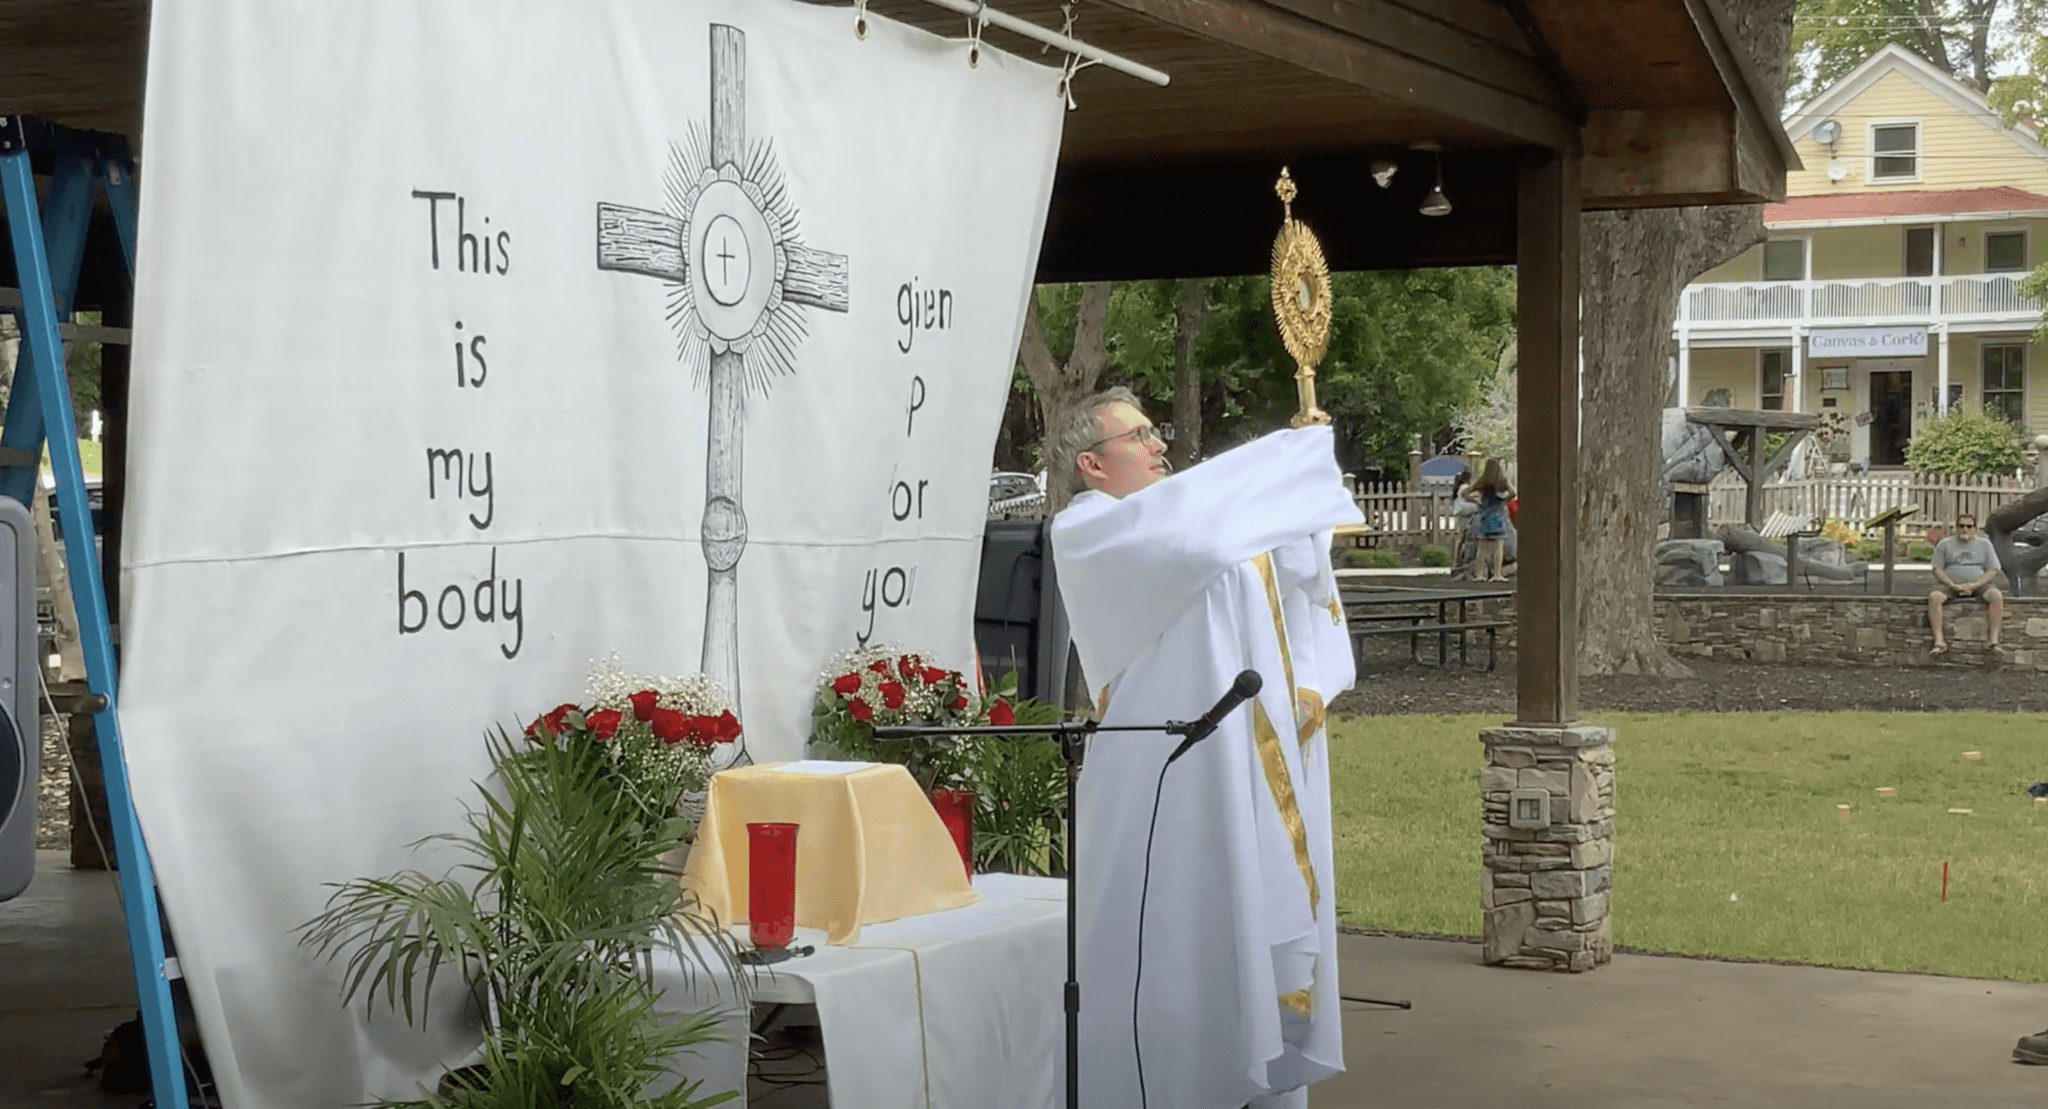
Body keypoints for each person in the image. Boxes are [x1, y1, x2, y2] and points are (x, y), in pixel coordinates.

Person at [1049, 386, 1361, 1109]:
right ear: (1092, 464)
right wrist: (1286, 463)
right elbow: (1197, 538)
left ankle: (1244, 1082)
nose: (1159, 444)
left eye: (1157, 430)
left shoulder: (1191, 516)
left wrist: (1302, 492)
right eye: (1139, 436)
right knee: (1168, 951)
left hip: (1239, 769)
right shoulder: (1090, 529)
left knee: (1237, 928)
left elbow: (1285, 574)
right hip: (1162, 784)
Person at [1927, 513, 2004, 654]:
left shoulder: (1985, 544)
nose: (1965, 529)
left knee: (1996, 596)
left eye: (1969, 526)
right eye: (1961, 526)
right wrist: (1952, 585)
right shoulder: (1945, 544)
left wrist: (1975, 585)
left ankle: (1994, 642)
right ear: (1956, 528)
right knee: (1934, 597)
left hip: (1979, 585)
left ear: (1975, 528)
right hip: (1950, 585)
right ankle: (1939, 642)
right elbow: (1937, 569)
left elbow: (1993, 569)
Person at [1464, 459, 1514, 583]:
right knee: (1498, 545)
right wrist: (1503, 502)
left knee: (1481, 547)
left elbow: (1465, 492)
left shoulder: (1483, 480)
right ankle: (1497, 574)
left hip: (1484, 514)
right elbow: (1513, 492)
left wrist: (1476, 501)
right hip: (1498, 514)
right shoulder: (1502, 480)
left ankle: (1479, 575)